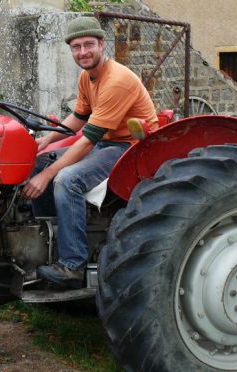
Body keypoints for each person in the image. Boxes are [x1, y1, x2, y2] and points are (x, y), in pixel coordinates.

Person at [22, 16, 158, 289]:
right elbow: (78, 118)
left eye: (88, 45)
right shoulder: (88, 77)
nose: (82, 52)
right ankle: (50, 249)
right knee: (37, 164)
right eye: (76, 47)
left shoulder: (117, 80)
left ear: (101, 44)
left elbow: (85, 140)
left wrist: (48, 175)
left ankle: (72, 265)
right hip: (104, 143)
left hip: (129, 147)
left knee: (66, 179)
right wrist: (43, 143)